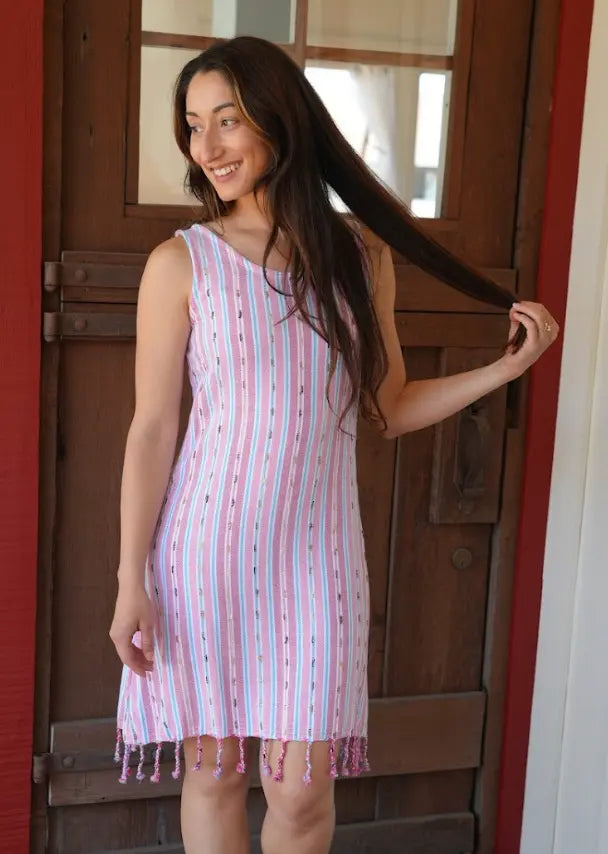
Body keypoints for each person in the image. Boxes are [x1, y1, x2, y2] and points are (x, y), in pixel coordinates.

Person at [109, 35, 559, 854]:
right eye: (191, 125)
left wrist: (503, 370)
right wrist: (128, 577)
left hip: (316, 562)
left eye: (227, 122)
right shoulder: (182, 264)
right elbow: (152, 428)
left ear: (279, 122)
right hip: (202, 554)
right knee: (212, 775)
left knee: (303, 794)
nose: (205, 148)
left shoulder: (359, 257)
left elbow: (386, 405)